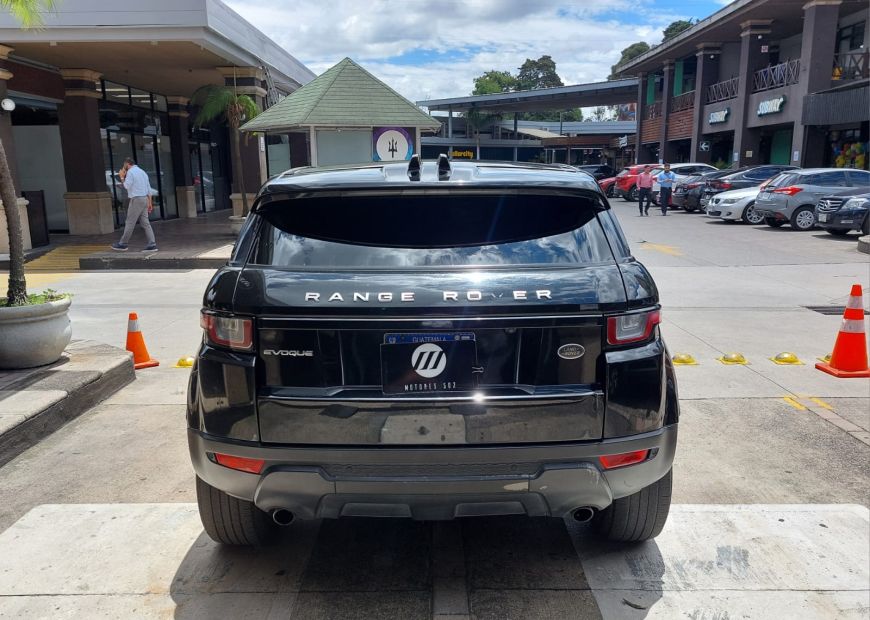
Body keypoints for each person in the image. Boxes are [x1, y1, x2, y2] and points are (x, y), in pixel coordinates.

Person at [111, 158, 157, 252]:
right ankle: (152, 244)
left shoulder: (131, 173)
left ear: (127, 164)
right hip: (144, 199)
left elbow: (127, 186)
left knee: (130, 222)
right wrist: (150, 202)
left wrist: (122, 177)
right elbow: (148, 188)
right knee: (145, 223)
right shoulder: (142, 172)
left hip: (136, 199)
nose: (123, 167)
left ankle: (123, 244)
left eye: (124, 165)